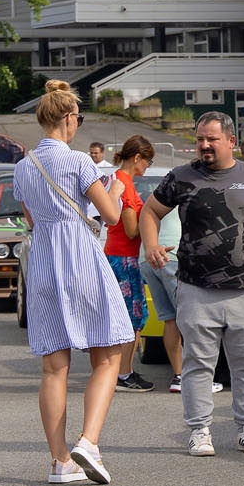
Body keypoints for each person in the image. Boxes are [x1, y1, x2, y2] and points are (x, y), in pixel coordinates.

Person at [141, 112, 244, 458]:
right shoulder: (180, 177)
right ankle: (199, 431)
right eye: (200, 139)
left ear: (230, 141)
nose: (204, 145)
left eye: (211, 139)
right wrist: (151, 244)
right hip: (196, 289)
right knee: (198, 364)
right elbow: (150, 211)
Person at [15, 80, 132, 485]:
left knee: (53, 368)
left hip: (43, 264)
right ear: (68, 118)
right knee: (109, 354)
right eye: (78, 119)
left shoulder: (23, 167)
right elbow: (111, 216)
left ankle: (59, 461)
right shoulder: (80, 162)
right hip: (80, 259)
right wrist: (115, 189)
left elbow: (31, 220)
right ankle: (89, 442)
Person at [103, 135, 156, 392]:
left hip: (118, 254)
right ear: (137, 158)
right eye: (147, 161)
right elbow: (132, 229)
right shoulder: (124, 184)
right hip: (124, 257)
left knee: (127, 316)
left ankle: (122, 370)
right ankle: (123, 374)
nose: (147, 166)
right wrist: (151, 218)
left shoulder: (118, 180)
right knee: (134, 317)